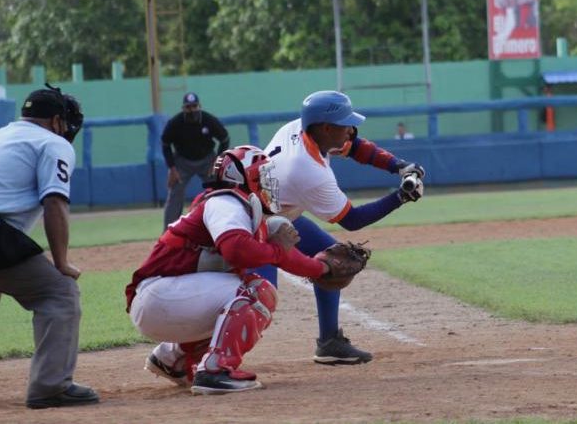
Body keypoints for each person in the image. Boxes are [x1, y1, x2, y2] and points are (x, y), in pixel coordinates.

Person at [126, 145, 334, 395]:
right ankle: (215, 370)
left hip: (165, 298)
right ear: (241, 177)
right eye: (260, 175)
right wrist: (278, 251)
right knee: (256, 291)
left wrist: (320, 268)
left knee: (234, 294)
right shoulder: (225, 201)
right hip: (160, 296)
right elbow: (237, 249)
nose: (266, 181)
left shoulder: (237, 206)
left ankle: (173, 359)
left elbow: (282, 258)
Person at [259, 90, 425, 365]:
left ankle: (330, 343)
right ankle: (191, 355)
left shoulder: (303, 129)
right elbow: (353, 220)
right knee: (258, 299)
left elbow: (357, 146)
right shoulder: (307, 170)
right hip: (253, 227)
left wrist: (398, 166)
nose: (351, 129)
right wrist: (401, 197)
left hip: (277, 215)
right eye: (345, 123)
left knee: (330, 256)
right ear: (325, 127)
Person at [0, 85, 99, 409]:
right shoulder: (52, 143)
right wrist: (62, 262)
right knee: (59, 294)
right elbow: (55, 203)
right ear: (56, 121)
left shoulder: (0, 136)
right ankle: (50, 387)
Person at [161, 92, 230, 230]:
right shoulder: (175, 122)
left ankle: (223, 226)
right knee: (175, 194)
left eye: (194, 106)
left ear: (199, 106)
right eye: (188, 107)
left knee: (219, 190)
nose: (191, 110)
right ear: (183, 108)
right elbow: (165, 144)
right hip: (183, 162)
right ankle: (169, 232)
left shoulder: (208, 120)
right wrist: (172, 168)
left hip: (207, 161)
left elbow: (224, 139)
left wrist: (216, 161)